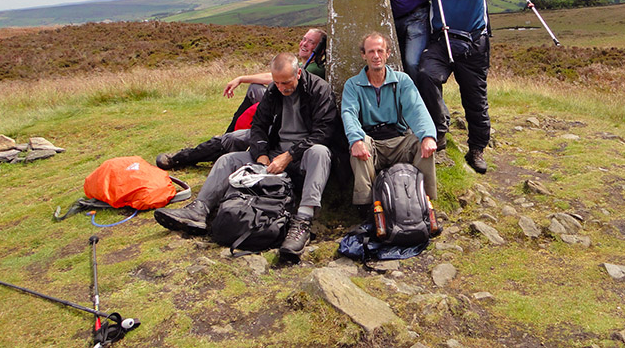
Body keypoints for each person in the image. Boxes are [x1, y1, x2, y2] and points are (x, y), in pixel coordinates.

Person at [154, 52, 337, 258]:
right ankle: (199, 210)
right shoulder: (273, 91)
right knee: (227, 159)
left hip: (303, 155)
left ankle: (303, 221)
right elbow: (258, 126)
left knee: (320, 153)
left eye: (286, 82)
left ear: (299, 73)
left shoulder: (319, 89)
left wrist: (289, 156)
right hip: (273, 153)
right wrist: (261, 155)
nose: (282, 88)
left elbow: (323, 132)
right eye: (277, 83)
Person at [408, 0, 506, 174]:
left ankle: (476, 149)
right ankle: (440, 130)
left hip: (475, 41)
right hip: (442, 40)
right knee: (425, 75)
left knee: (475, 98)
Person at [155, 29, 326, 170]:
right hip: (275, 127)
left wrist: (243, 78)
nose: (304, 44)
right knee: (235, 135)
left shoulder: (313, 73)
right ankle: (186, 156)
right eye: (304, 39)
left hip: (283, 136)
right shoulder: (299, 68)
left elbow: (274, 80)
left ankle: (182, 158)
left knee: (232, 137)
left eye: (311, 42)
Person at [341, 32, 438, 214]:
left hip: (398, 140)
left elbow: (417, 109)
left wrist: (428, 136)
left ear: (388, 53)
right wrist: (356, 140)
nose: (376, 56)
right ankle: (367, 207)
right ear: (363, 55)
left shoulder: (402, 81)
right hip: (372, 142)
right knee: (359, 147)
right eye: (371, 52)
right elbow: (349, 114)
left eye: (380, 51)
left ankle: (424, 202)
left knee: (421, 144)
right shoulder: (353, 85)